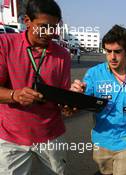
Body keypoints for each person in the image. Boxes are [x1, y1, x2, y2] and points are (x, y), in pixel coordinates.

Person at [0, 0, 71, 174]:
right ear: (27, 21)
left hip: (51, 135)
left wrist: (69, 106)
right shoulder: (5, 44)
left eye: (53, 27)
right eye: (43, 26)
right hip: (11, 137)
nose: (49, 33)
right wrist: (15, 95)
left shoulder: (63, 54)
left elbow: (62, 95)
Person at [71, 25, 126, 175]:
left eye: (117, 51)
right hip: (101, 138)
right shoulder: (94, 73)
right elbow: (81, 102)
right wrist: (76, 93)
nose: (112, 57)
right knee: (105, 172)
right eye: (108, 51)